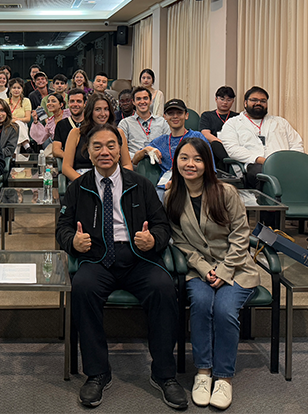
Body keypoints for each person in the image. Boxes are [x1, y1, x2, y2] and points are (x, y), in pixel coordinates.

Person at [55, 123, 187, 410]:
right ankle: (97, 373)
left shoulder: (141, 184)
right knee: (82, 288)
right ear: (88, 152)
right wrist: (72, 242)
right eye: (97, 146)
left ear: (120, 150)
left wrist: (153, 240)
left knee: (164, 288)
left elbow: (163, 226)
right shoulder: (78, 187)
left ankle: (164, 374)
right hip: (97, 258)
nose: (104, 151)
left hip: (138, 258)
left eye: (111, 146)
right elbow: (62, 227)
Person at [165, 137, 259, 410]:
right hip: (199, 269)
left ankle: (224, 377)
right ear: (176, 162)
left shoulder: (225, 192)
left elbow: (241, 234)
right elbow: (180, 242)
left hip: (236, 268)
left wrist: (225, 269)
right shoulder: (172, 197)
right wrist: (206, 269)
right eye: (184, 158)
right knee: (202, 304)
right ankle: (204, 372)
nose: (190, 164)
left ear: (207, 163)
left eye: (197, 159)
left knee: (225, 310)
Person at [220, 86, 308, 248]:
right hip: (252, 166)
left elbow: (296, 143)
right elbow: (232, 149)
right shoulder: (233, 123)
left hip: (284, 167)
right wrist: (261, 160)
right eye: (254, 100)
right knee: (264, 175)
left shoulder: (280, 122)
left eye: (263, 101)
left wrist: (289, 162)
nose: (258, 103)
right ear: (245, 102)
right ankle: (271, 230)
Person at [133, 99, 212, 200]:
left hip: (193, 185)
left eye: (179, 113)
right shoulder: (160, 141)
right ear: (165, 117)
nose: (175, 116)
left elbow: (210, 168)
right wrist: (146, 150)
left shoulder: (197, 137)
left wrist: (178, 183)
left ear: (186, 115)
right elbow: (135, 160)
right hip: (166, 188)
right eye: (171, 113)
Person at [62, 93, 133, 182]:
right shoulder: (76, 133)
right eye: (98, 109)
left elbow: (127, 165)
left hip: (112, 180)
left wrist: (116, 180)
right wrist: (83, 183)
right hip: (81, 181)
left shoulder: (118, 133)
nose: (103, 114)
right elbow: (66, 167)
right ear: (90, 111)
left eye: (106, 109)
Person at [118, 86, 170, 161]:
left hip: (159, 163)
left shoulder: (162, 122)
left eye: (145, 98)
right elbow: (122, 151)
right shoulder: (125, 123)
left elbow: (169, 146)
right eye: (138, 99)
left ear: (151, 101)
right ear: (133, 102)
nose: (142, 102)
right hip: (135, 164)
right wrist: (140, 155)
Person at [199, 86, 239, 172]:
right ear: (216, 99)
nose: (225, 102)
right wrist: (222, 143)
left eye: (229, 100)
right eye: (222, 99)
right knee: (215, 145)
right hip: (216, 147)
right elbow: (205, 134)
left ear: (233, 101)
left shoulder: (238, 117)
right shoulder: (207, 115)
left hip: (234, 146)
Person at [53, 88, 86, 159]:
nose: (75, 104)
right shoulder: (61, 125)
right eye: (72, 101)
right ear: (68, 103)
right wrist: (68, 157)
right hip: (69, 162)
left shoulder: (91, 124)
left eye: (79, 101)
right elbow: (56, 150)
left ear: (85, 104)